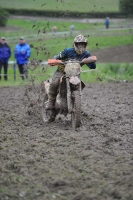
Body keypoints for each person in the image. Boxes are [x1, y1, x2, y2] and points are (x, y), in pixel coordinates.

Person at [46, 34, 97, 115]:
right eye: (79, 44)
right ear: (75, 44)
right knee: (54, 83)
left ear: (85, 45)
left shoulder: (86, 54)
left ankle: (78, 107)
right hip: (62, 71)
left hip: (75, 73)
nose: (81, 46)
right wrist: (56, 60)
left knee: (80, 86)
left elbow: (92, 66)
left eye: (83, 44)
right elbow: (57, 57)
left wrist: (91, 62)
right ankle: (50, 104)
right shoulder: (68, 51)